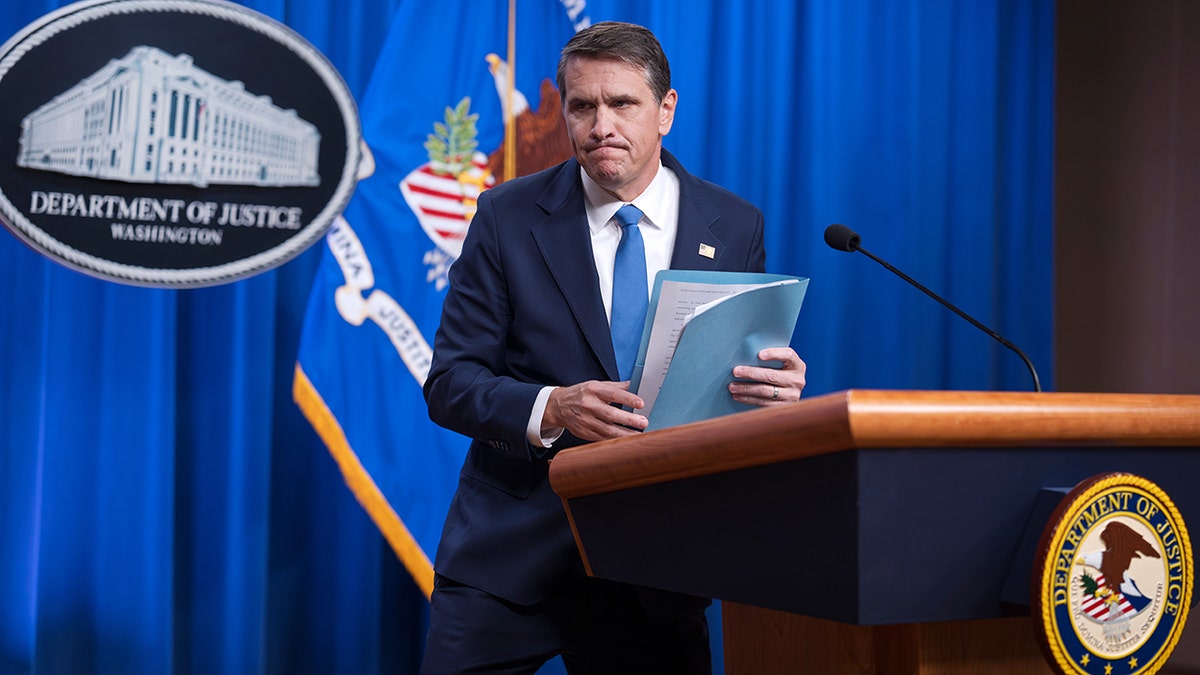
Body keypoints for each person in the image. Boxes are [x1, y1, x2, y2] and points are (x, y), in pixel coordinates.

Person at [420, 21, 807, 675]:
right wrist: (554, 406)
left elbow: (728, 393)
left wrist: (771, 393)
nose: (601, 124)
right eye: (582, 105)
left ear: (665, 111)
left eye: (622, 103)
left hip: (655, 567)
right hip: (510, 558)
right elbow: (451, 383)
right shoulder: (505, 217)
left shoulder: (734, 225)